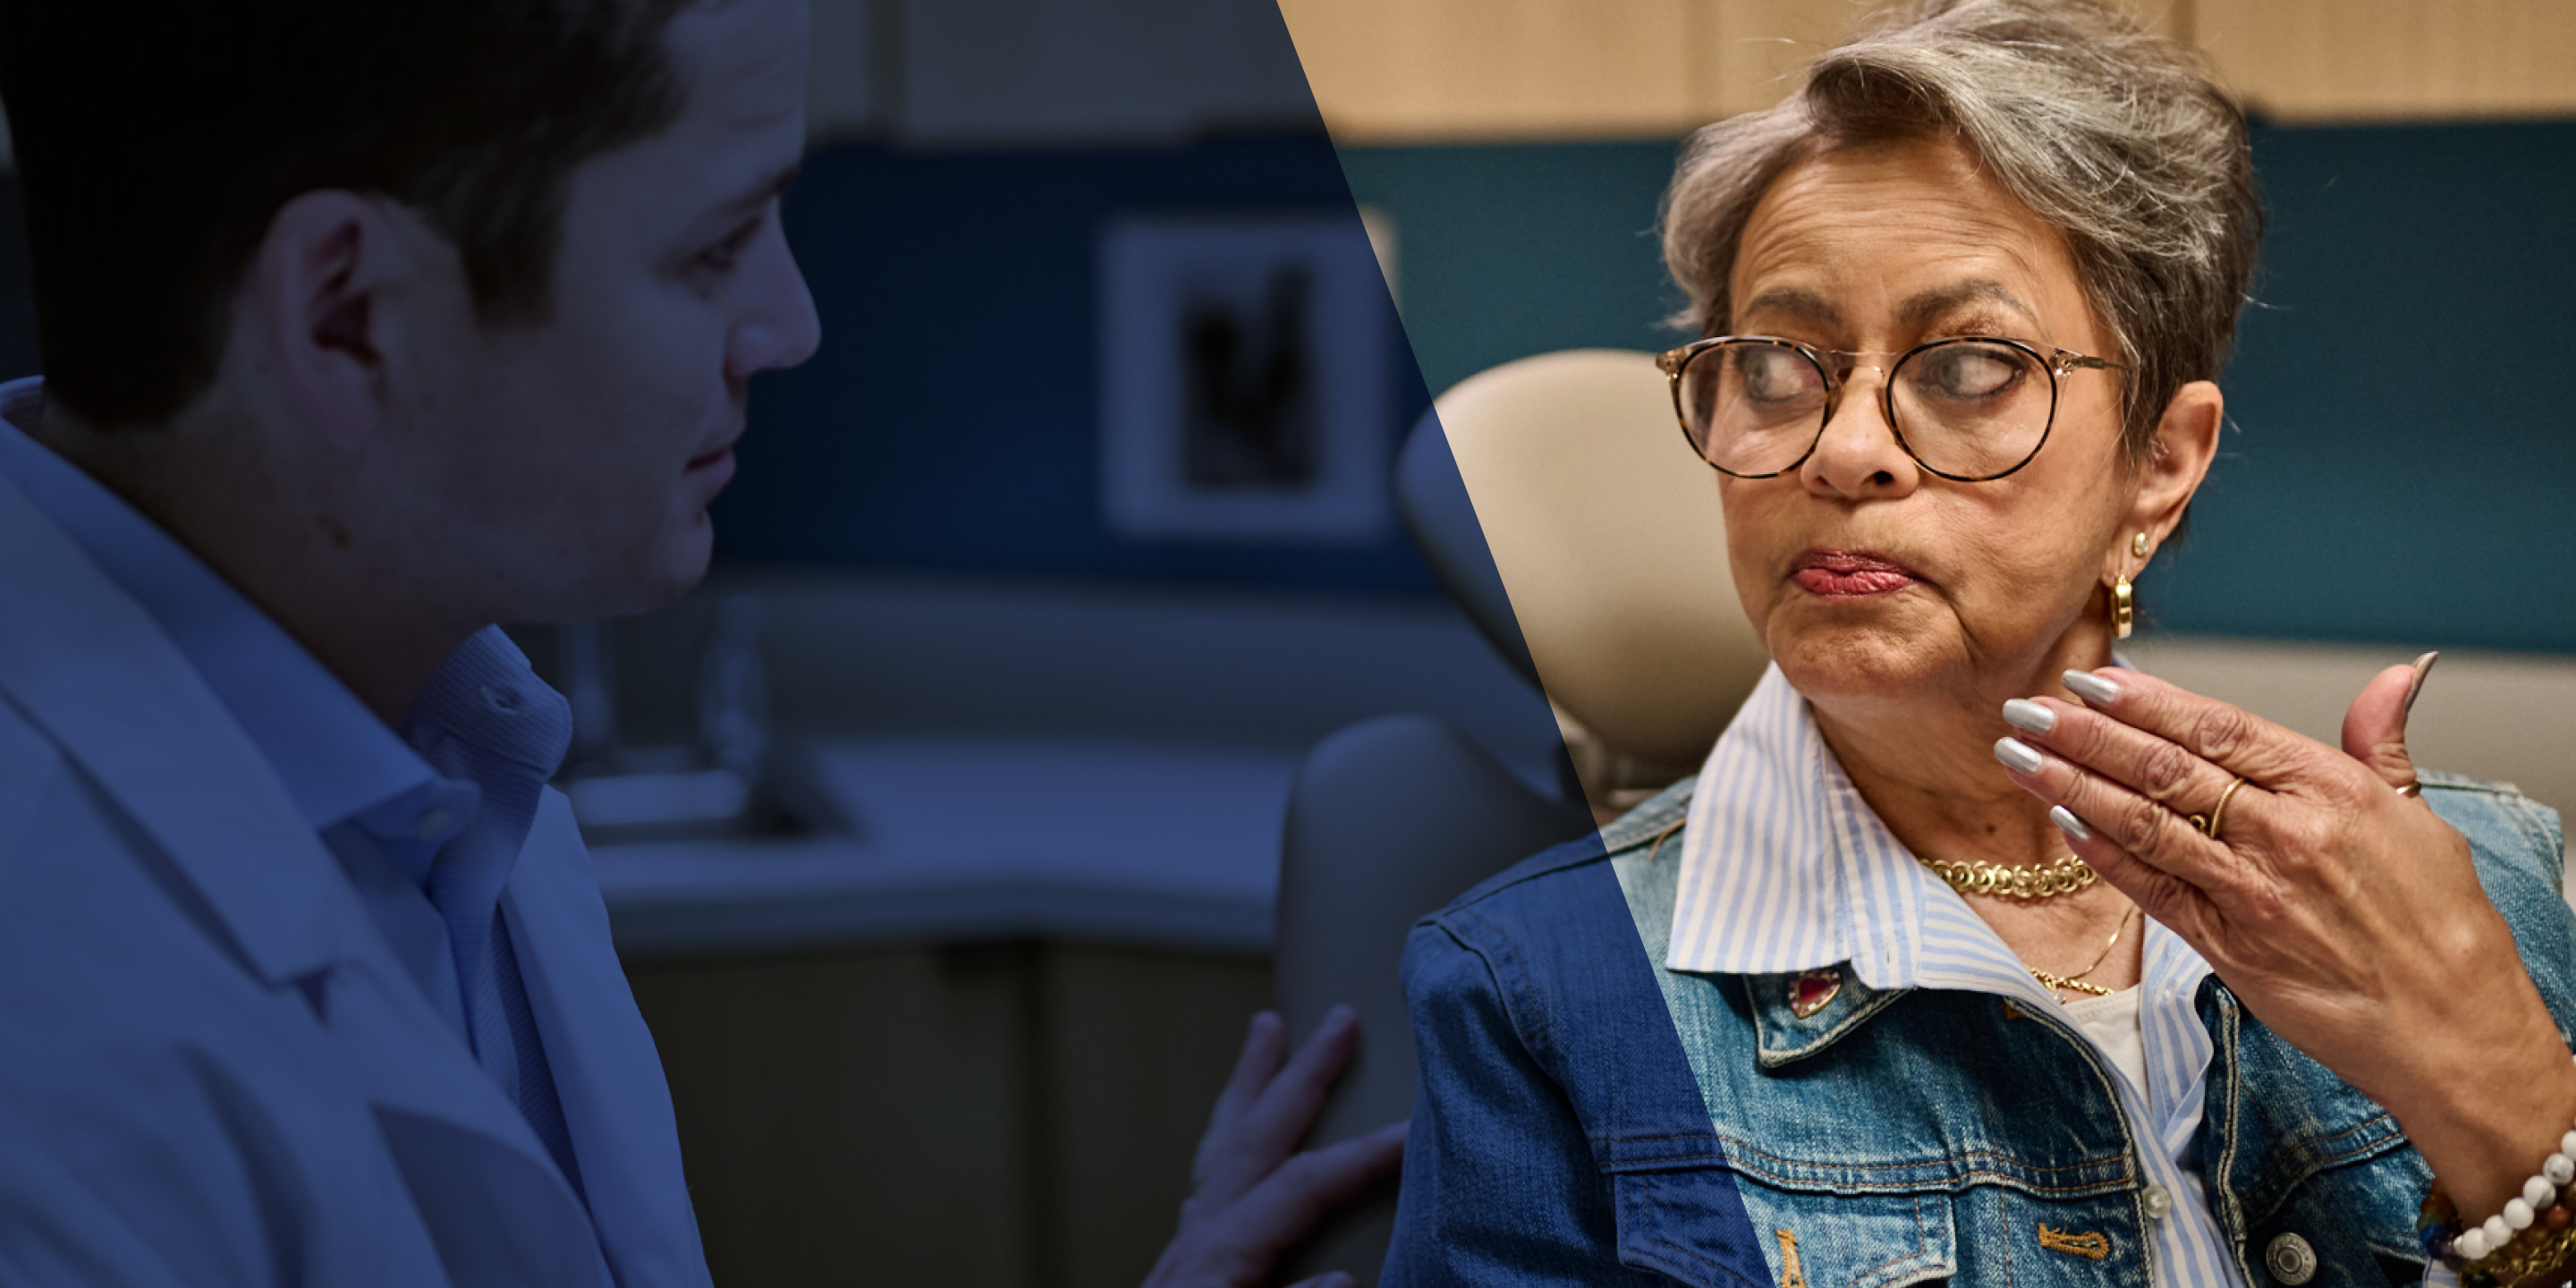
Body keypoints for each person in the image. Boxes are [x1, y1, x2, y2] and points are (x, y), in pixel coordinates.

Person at [0, 1, 1398, 1284]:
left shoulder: (441, 756)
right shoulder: (50, 1059)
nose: (790, 327)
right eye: (716, 246)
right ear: (346, 317)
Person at [1381, 3, 2576, 1286]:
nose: (1841, 449)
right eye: (1778, 364)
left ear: (2159, 467)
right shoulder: (1537, 994)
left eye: (1967, 367)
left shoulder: (2483, 887)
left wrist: (2500, 1086)